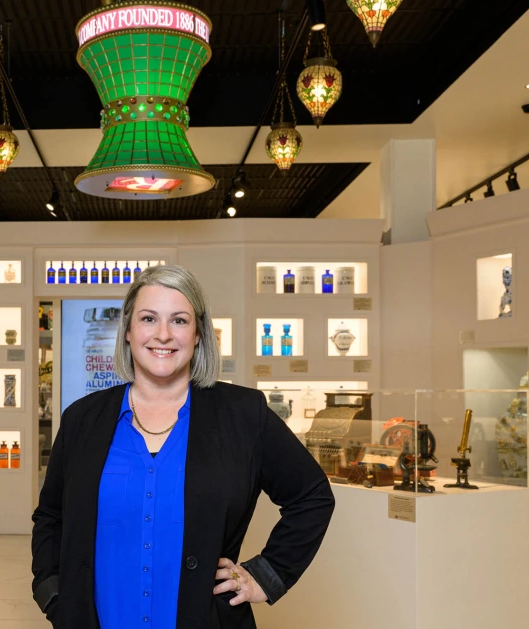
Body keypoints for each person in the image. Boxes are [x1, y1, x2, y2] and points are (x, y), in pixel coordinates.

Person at [32, 264, 335, 628]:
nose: (163, 335)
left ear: (198, 335)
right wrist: (51, 592)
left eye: (178, 320)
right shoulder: (82, 419)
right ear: (127, 330)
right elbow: (50, 516)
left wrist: (267, 575)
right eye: (148, 318)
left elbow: (312, 496)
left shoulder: (243, 415)